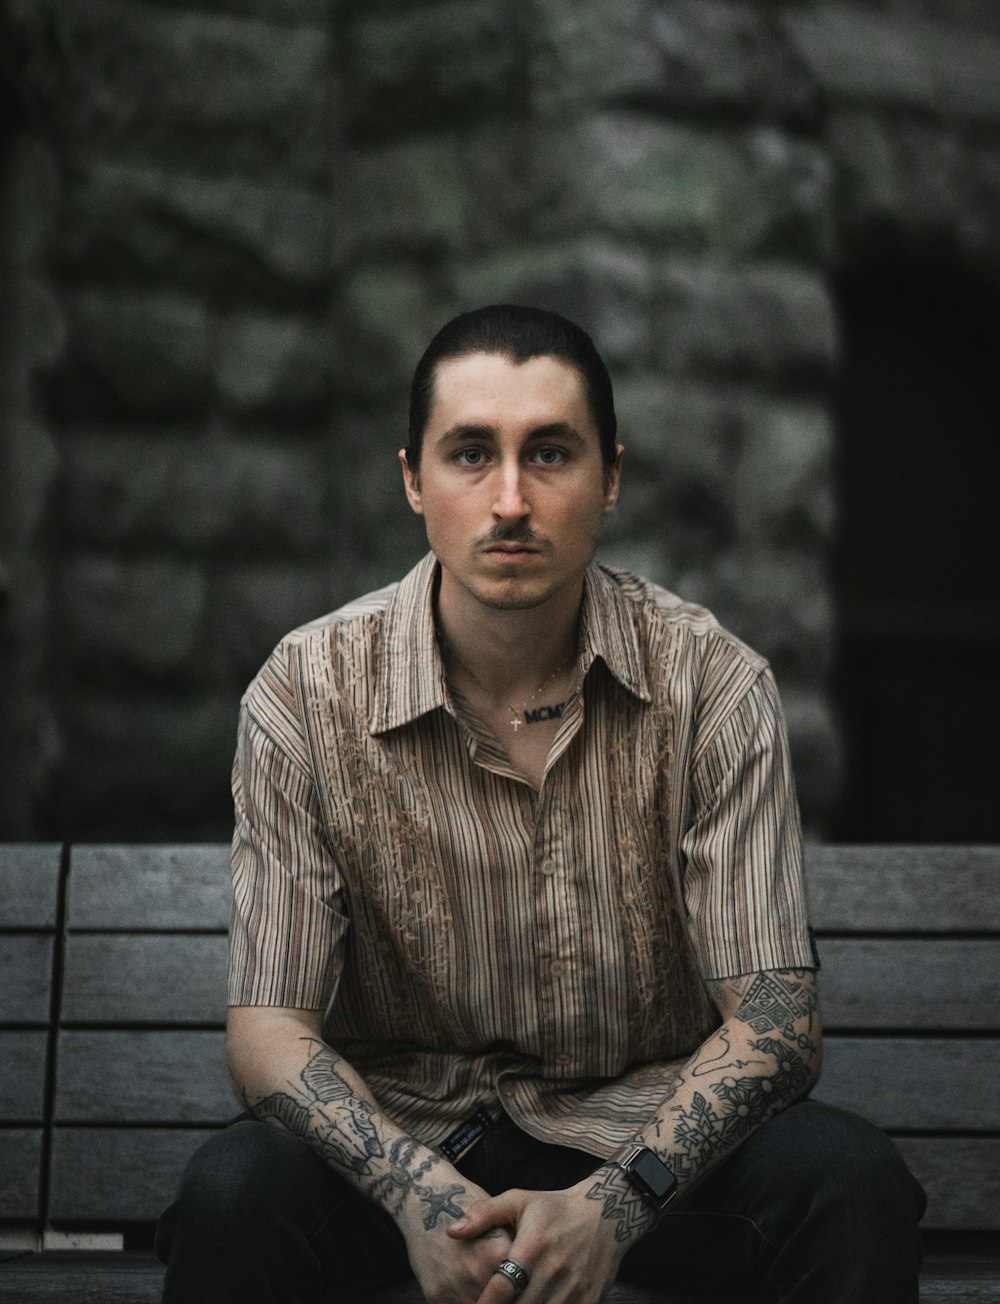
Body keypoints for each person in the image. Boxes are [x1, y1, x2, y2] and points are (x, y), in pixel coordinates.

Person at [157, 304, 924, 1304]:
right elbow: (269, 1028)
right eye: (471, 454)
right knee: (234, 1196)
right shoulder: (305, 695)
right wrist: (416, 1195)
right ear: (411, 481)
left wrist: (618, 1203)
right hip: (401, 1146)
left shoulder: (712, 685)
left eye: (549, 454)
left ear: (609, 477)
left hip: (645, 1149)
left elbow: (776, 1017)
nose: (510, 498)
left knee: (848, 1184)